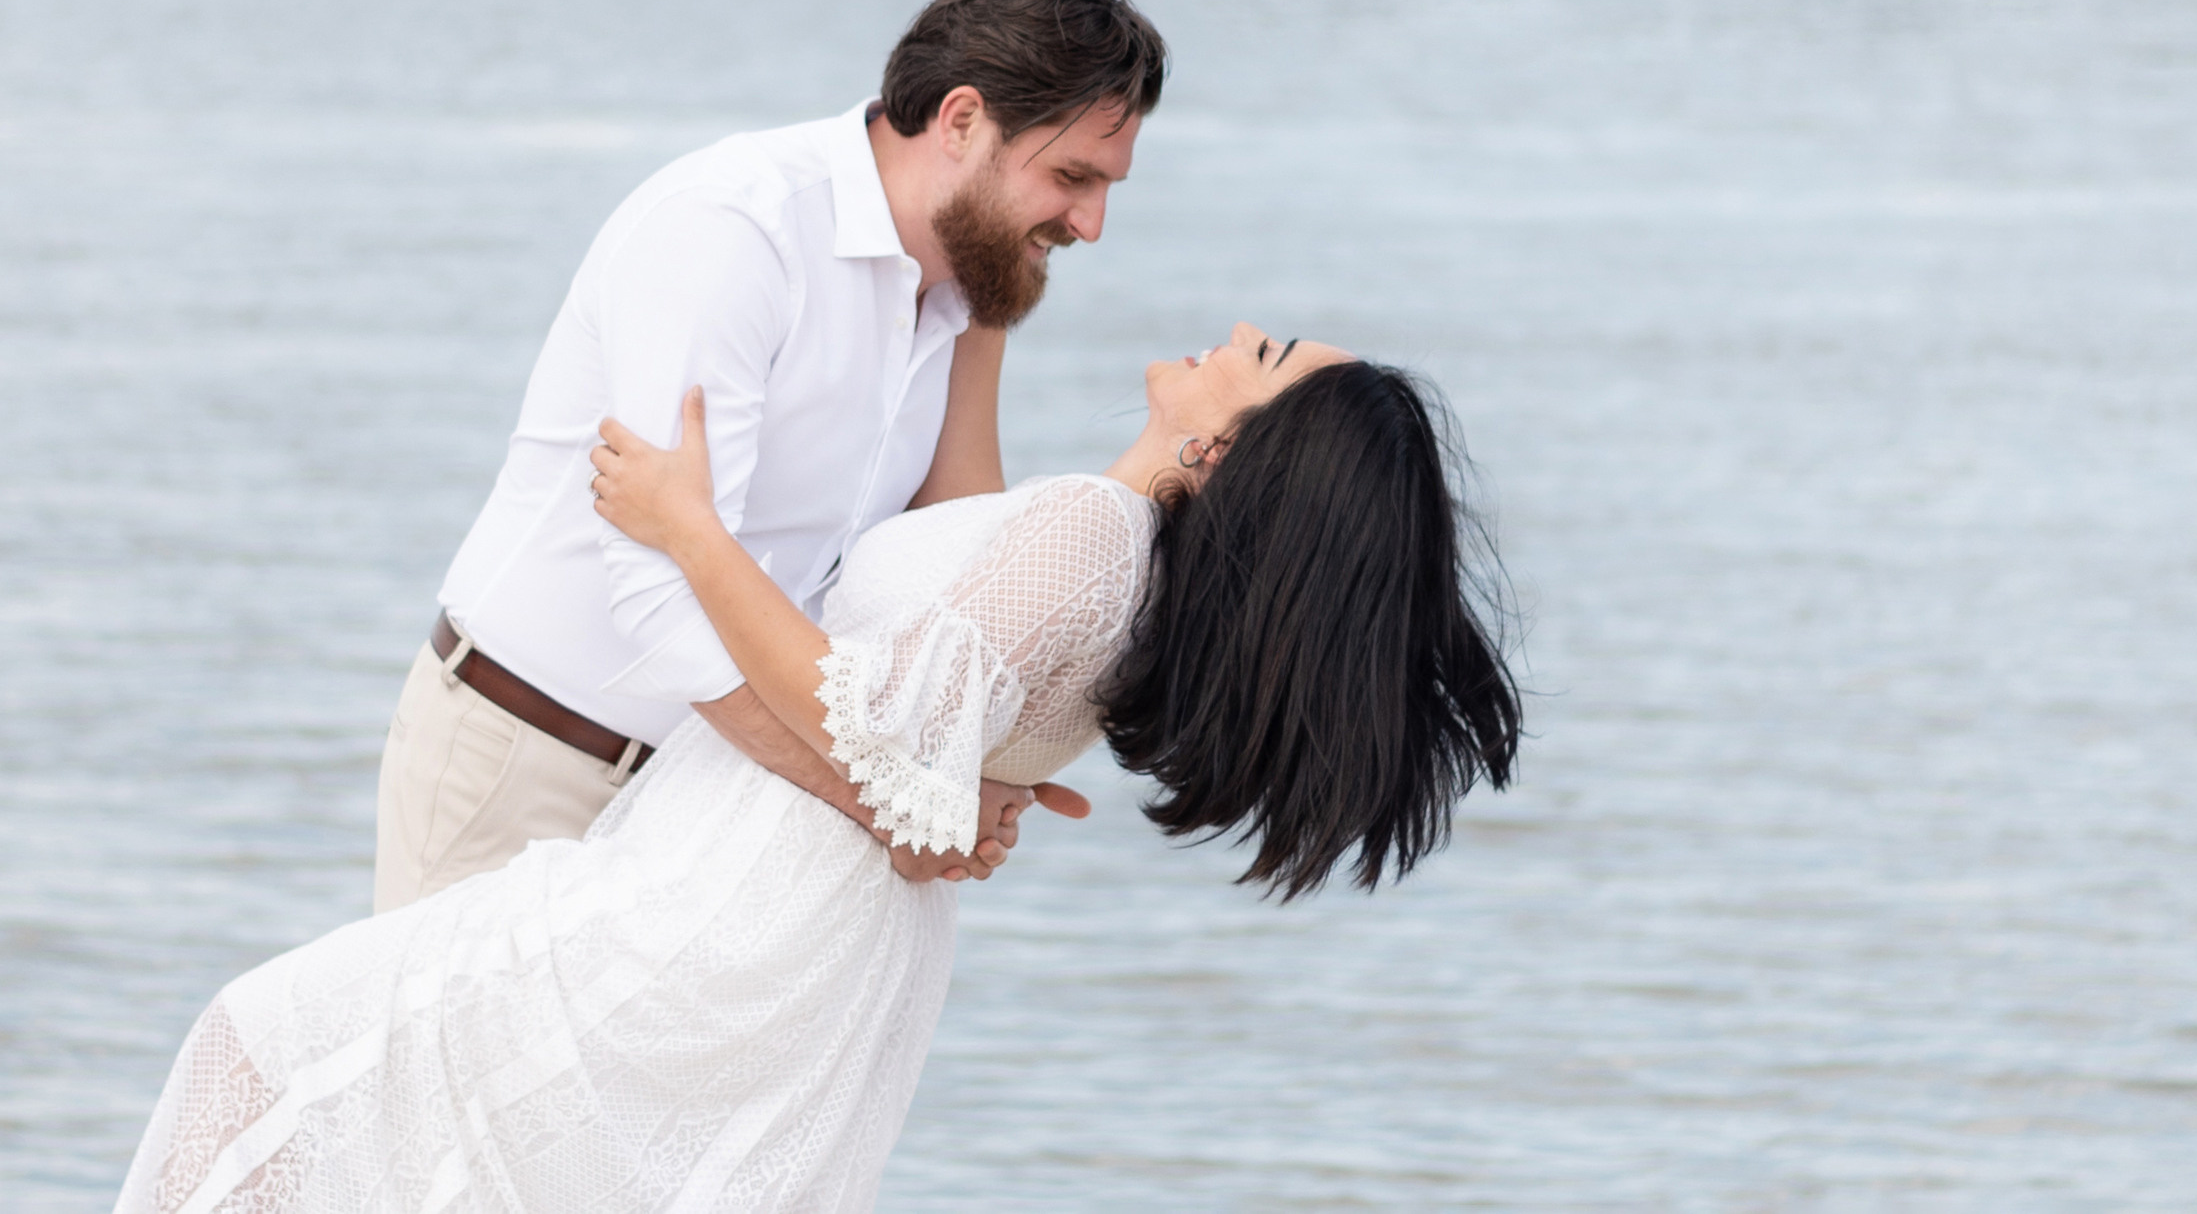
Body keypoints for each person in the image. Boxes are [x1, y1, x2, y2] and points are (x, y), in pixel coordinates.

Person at [116, 324, 1523, 1213]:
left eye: (1262, 352)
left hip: (733, 905)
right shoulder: (1115, 561)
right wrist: (981, 321)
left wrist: (687, 530)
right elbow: (950, 556)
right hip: (811, 926)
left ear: (1226, 445)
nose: (1231, 333)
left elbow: (870, 711)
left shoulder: (1096, 537)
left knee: (264, 1044)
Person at [373, 0, 1167, 912]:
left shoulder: (964, 285)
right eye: (1072, 176)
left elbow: (948, 568)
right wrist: (888, 804)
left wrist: (962, 772)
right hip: (534, 762)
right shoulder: (736, 230)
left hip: (725, 787)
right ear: (961, 121)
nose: (1091, 222)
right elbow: (656, 591)